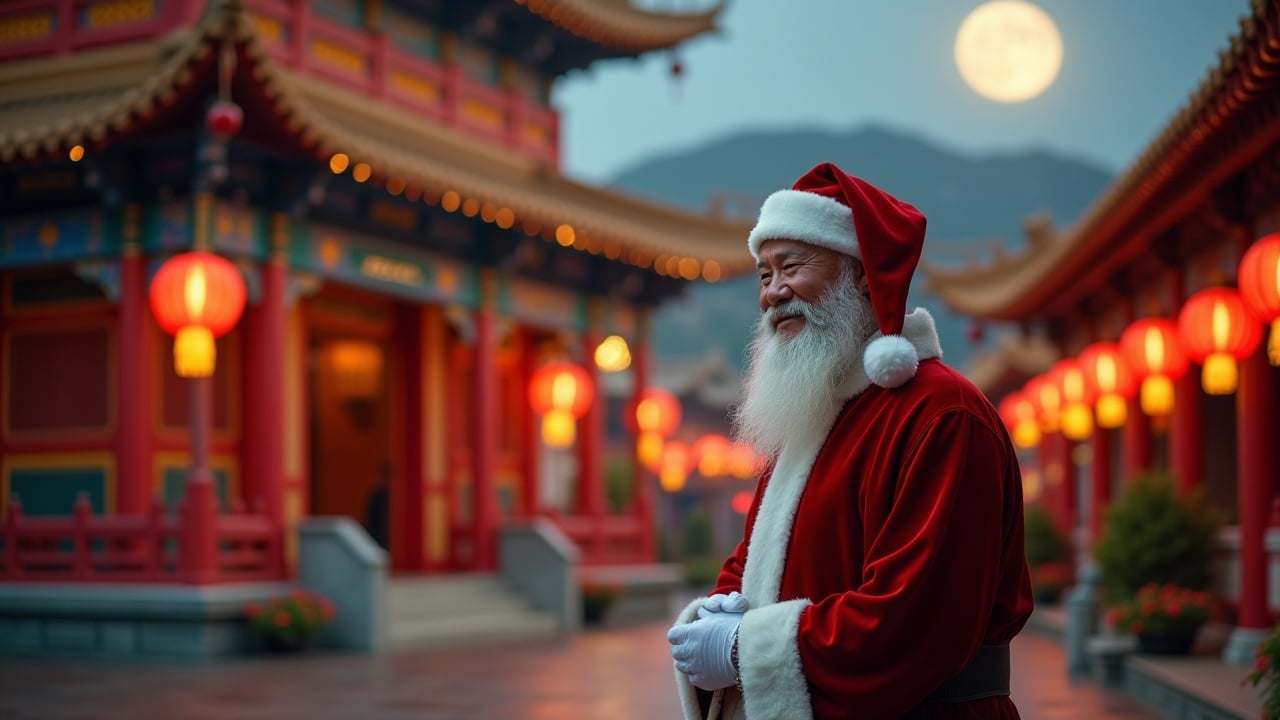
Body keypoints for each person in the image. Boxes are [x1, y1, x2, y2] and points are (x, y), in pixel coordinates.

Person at [666, 162, 1034, 720]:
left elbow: (916, 618)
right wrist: (717, 614)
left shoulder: (941, 414)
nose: (773, 293)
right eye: (764, 275)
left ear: (865, 277)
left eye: (792, 266)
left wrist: (742, 648)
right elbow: (750, 566)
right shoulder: (816, 412)